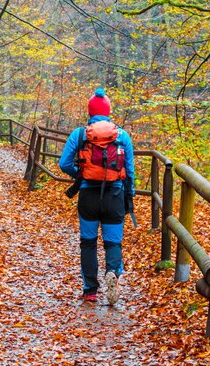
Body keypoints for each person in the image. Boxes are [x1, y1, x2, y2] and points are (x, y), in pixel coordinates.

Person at [59, 88, 135, 305]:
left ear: (90, 111)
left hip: (88, 196)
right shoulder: (122, 136)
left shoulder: (80, 134)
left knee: (88, 243)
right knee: (113, 242)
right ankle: (112, 273)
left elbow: (63, 163)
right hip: (115, 195)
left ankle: (91, 290)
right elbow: (129, 171)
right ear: (108, 110)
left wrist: (80, 174)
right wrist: (130, 195)